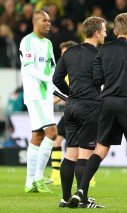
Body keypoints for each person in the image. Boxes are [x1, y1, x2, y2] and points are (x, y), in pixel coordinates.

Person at [67, 12, 127, 210]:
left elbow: (98, 79)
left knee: (100, 149)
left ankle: (80, 191)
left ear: (115, 31)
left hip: (107, 103)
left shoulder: (103, 51)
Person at [52, 16, 107, 208]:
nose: (106, 33)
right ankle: (82, 200)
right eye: (104, 30)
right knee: (84, 155)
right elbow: (103, 81)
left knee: (70, 154)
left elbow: (57, 79)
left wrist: (71, 93)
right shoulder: (100, 55)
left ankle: (65, 198)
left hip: (71, 107)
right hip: (89, 107)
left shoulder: (69, 52)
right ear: (97, 32)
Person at [20, 10, 57, 193]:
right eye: (44, 20)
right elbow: (29, 69)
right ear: (35, 22)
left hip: (46, 96)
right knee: (52, 132)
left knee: (38, 136)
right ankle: (38, 179)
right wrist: (48, 80)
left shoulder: (49, 44)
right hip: (35, 94)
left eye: (49, 21)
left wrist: (57, 85)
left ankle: (29, 184)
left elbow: (53, 69)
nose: (48, 23)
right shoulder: (27, 41)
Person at [47, 40, 78, 186]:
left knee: (82, 145)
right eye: (61, 53)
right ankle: (55, 174)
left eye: (65, 53)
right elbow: (65, 93)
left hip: (80, 111)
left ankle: (89, 178)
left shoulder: (78, 69)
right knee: (57, 140)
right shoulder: (68, 70)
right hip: (69, 111)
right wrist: (52, 101)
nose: (62, 56)